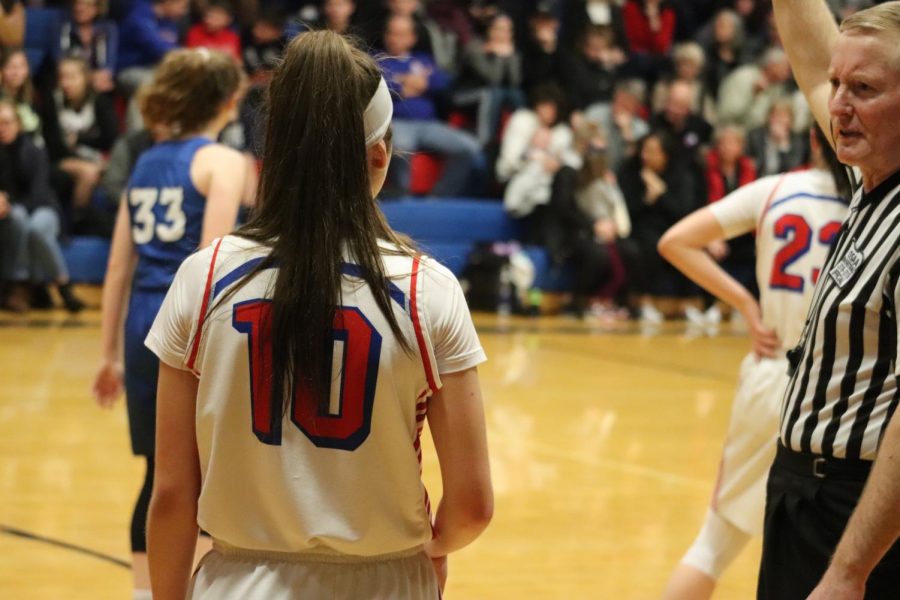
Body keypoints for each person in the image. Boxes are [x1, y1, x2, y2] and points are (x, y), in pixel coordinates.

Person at [143, 30, 492, 599]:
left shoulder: (203, 278)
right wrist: (431, 549)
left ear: (272, 153)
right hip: (388, 581)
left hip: (238, 582)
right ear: (378, 157)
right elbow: (473, 506)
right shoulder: (428, 290)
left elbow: (173, 497)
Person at [657, 125, 850, 600]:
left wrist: (745, 302)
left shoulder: (776, 190)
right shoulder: (876, 206)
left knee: (712, 547)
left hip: (772, 375)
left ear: (811, 138)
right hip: (844, 394)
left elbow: (676, 241)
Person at [91, 49, 246, 600]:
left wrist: (108, 354)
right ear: (230, 100)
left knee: (159, 473)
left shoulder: (145, 162)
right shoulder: (224, 162)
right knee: (200, 477)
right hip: (190, 326)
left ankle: (144, 592)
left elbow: (116, 268)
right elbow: (210, 263)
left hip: (140, 325)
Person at [761, 2, 900, 598]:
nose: (837, 104)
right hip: (802, 493)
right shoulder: (873, 177)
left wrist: (849, 570)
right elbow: (813, 65)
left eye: (863, 89)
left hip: (858, 510)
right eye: (838, 84)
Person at [0, 99, 85, 313]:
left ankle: (52, 283)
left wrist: (6, 202)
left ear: (18, 124)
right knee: (18, 218)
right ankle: (52, 287)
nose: (3, 128)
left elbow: (39, 194)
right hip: (14, 213)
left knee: (33, 226)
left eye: (7, 122)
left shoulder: (35, 150)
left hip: (44, 208)